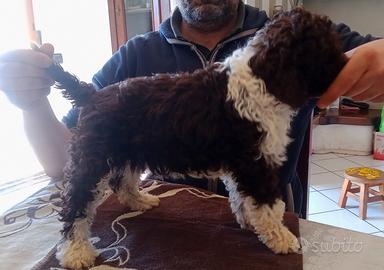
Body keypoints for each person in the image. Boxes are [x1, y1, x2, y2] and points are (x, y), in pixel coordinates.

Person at [0, 0, 383, 216]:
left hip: (272, 211)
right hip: (170, 218)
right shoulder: (135, 54)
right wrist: (32, 104)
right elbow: (63, 163)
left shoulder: (292, 36)